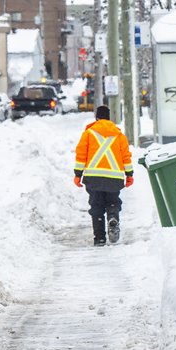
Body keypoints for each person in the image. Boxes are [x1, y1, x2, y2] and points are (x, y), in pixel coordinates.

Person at [74, 105, 135, 246]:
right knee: (113, 202)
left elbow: (81, 155)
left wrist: (78, 174)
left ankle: (99, 238)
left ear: (97, 117)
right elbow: (126, 157)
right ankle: (113, 218)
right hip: (114, 178)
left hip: (93, 178)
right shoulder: (119, 135)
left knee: (96, 205)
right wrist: (129, 175)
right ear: (109, 117)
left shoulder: (89, 133)